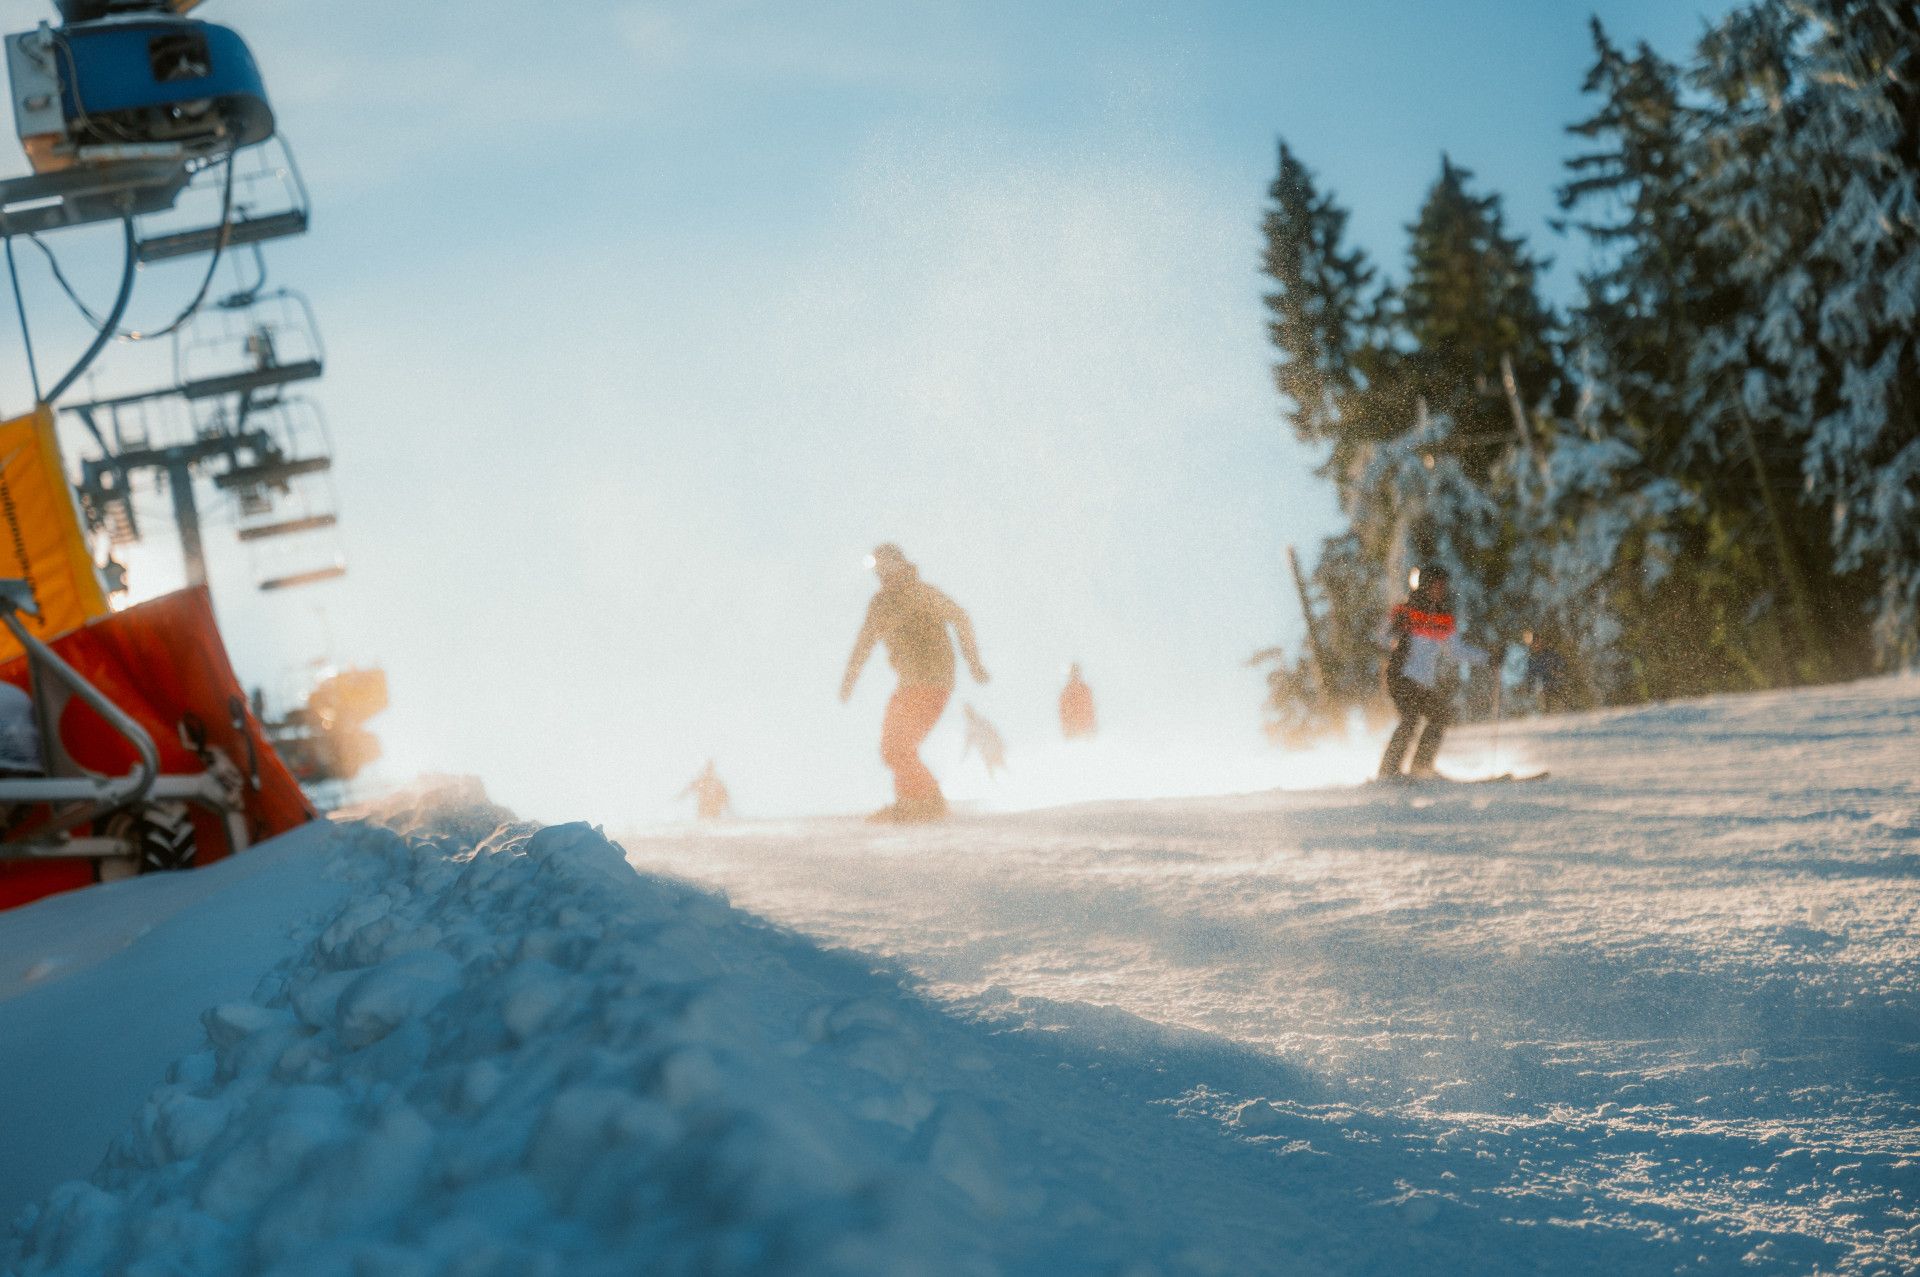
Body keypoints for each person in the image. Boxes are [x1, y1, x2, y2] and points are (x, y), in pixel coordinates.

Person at [840, 543, 989, 822]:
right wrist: (850, 677)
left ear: (899, 563)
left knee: (899, 747)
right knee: (891, 748)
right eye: (878, 567)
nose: (882, 572)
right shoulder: (881, 604)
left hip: (933, 679)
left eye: (887, 564)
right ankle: (910, 803)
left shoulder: (921, 593)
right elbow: (865, 641)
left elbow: (960, 617)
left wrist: (973, 661)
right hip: (908, 682)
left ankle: (929, 803)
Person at [1377, 566, 1487, 781]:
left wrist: (1488, 658)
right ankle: (1388, 772)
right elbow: (1380, 637)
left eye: (1443, 585)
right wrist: (1393, 631)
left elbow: (1456, 651)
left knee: (1440, 715)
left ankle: (1421, 767)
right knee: (1410, 718)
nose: (1441, 589)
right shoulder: (1405, 611)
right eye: (1437, 584)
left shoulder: (1442, 618)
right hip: (1401, 677)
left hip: (1422, 683)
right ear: (1425, 585)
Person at [960, 703, 1007, 778]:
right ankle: (995, 784)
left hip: (991, 747)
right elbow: (968, 743)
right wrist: (964, 756)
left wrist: (1000, 743)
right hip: (985, 750)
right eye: (967, 712)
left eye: (969, 711)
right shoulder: (970, 727)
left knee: (1002, 766)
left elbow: (993, 731)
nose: (969, 714)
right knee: (991, 769)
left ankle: (1009, 778)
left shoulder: (981, 721)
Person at [1059, 662, 1097, 740]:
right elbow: (1064, 711)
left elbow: (1090, 709)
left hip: (1081, 729)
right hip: (1077, 729)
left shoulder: (1069, 691)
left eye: (1076, 672)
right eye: (1074, 672)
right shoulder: (1068, 691)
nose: (1075, 674)